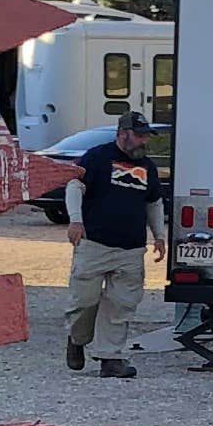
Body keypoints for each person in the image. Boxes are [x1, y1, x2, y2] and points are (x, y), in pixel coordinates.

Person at [64, 99, 164, 380]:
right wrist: (75, 220)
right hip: (94, 244)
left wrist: (159, 236)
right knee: (84, 300)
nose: (144, 140)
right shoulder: (96, 157)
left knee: (121, 305)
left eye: (146, 135)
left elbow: (153, 202)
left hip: (131, 249)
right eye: (140, 134)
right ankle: (77, 338)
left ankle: (111, 358)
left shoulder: (147, 167)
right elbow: (75, 186)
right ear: (123, 133)